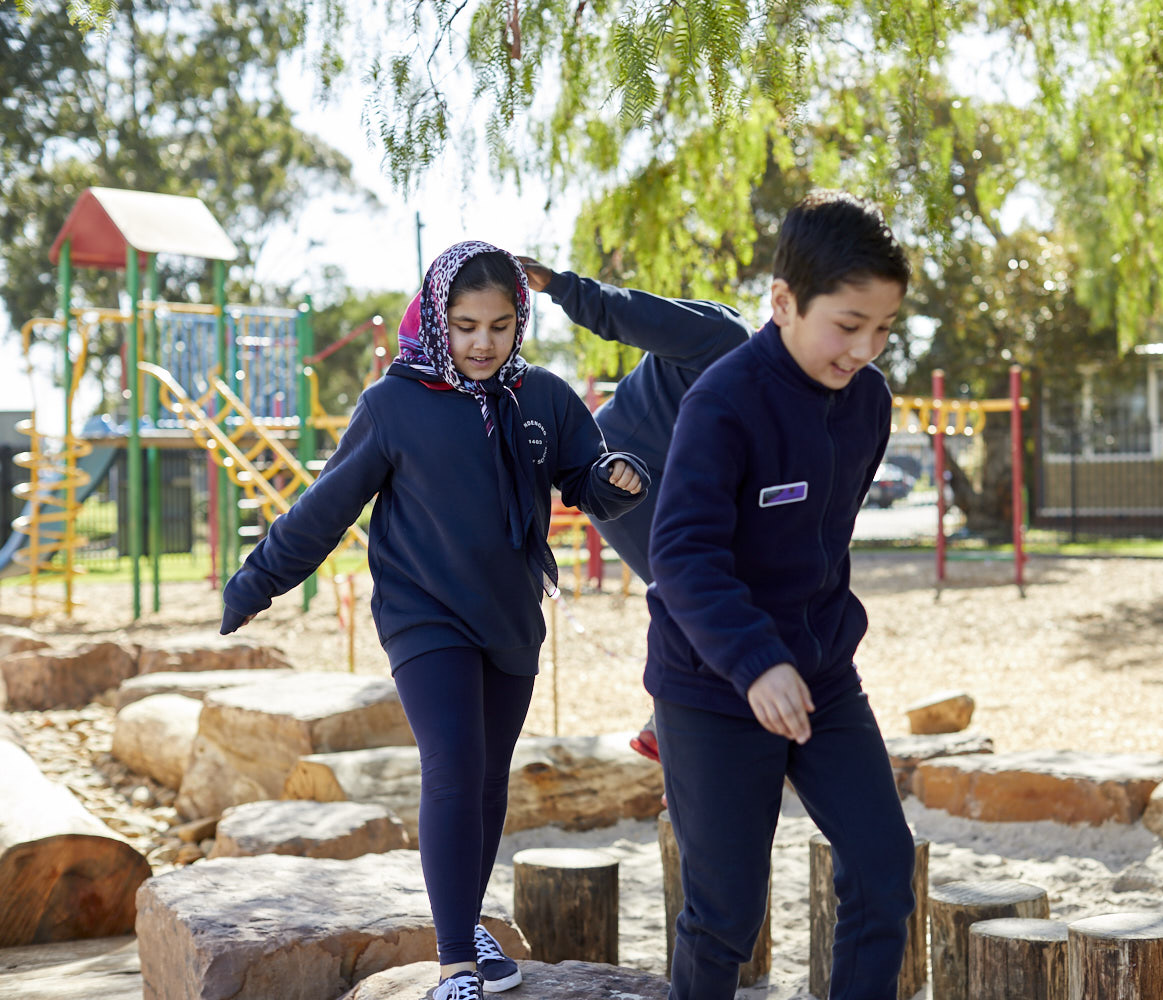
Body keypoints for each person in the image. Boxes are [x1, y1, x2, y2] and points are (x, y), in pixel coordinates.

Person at [218, 241, 648, 1000]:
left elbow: (586, 477)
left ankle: (465, 919)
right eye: (465, 325)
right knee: (452, 767)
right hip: (424, 617)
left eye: (500, 325)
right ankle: (455, 963)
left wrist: (618, 479)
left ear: (520, 323)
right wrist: (257, 582)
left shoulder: (542, 397)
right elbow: (328, 508)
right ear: (437, 320)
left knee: (487, 784)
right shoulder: (394, 403)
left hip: (510, 617)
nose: (483, 342)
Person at [646, 191, 916, 999]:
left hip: (822, 679)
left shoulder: (867, 402)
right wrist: (757, 661)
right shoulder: (724, 401)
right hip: (715, 686)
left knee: (883, 868)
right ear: (784, 302)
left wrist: (807, 654)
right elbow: (682, 553)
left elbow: (824, 544)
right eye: (847, 324)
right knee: (725, 911)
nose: (865, 348)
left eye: (884, 328)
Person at [519, 260, 752, 759]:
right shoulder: (721, 335)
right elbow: (627, 313)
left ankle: (679, 729)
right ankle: (677, 734)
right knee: (694, 589)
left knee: (728, 584)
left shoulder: (783, 401)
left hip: (674, 484)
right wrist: (558, 285)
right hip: (618, 473)